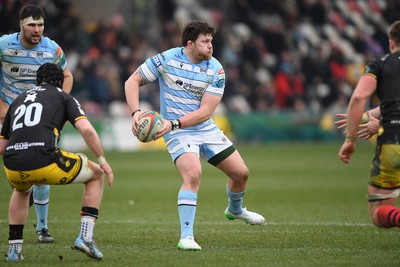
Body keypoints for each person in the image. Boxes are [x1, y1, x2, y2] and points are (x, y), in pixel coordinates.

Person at [124, 21, 265, 251]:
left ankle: (235, 210)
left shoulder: (216, 69)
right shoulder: (167, 59)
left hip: (200, 127)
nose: (211, 46)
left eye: (211, 41)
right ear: (190, 44)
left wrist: (173, 122)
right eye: (205, 42)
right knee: (193, 174)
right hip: (177, 132)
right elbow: (133, 81)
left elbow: (206, 112)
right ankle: (186, 237)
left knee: (241, 174)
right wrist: (136, 112)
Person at [1, 62, 113, 261]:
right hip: (45, 159)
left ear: (38, 81)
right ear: (60, 82)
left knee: (20, 190)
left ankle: (14, 251)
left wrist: (21, 156)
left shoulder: (18, 100)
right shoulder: (63, 96)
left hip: (13, 165)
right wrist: (103, 161)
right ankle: (85, 238)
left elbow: (2, 147)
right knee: (96, 175)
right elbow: (87, 130)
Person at [0, 4, 74, 243]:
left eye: (40, 25)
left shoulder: (52, 48)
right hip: (6, 112)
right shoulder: (4, 45)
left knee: (41, 163)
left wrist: (59, 103)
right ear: (21, 25)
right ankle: (24, 192)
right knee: (16, 171)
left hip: (37, 118)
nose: (37, 29)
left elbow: (68, 76)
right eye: (32, 25)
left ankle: (42, 228)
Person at [338, 20, 400, 228]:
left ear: (391, 43)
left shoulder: (380, 64)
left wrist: (350, 138)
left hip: (393, 143)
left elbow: (358, 97)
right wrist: (368, 117)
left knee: (379, 212)